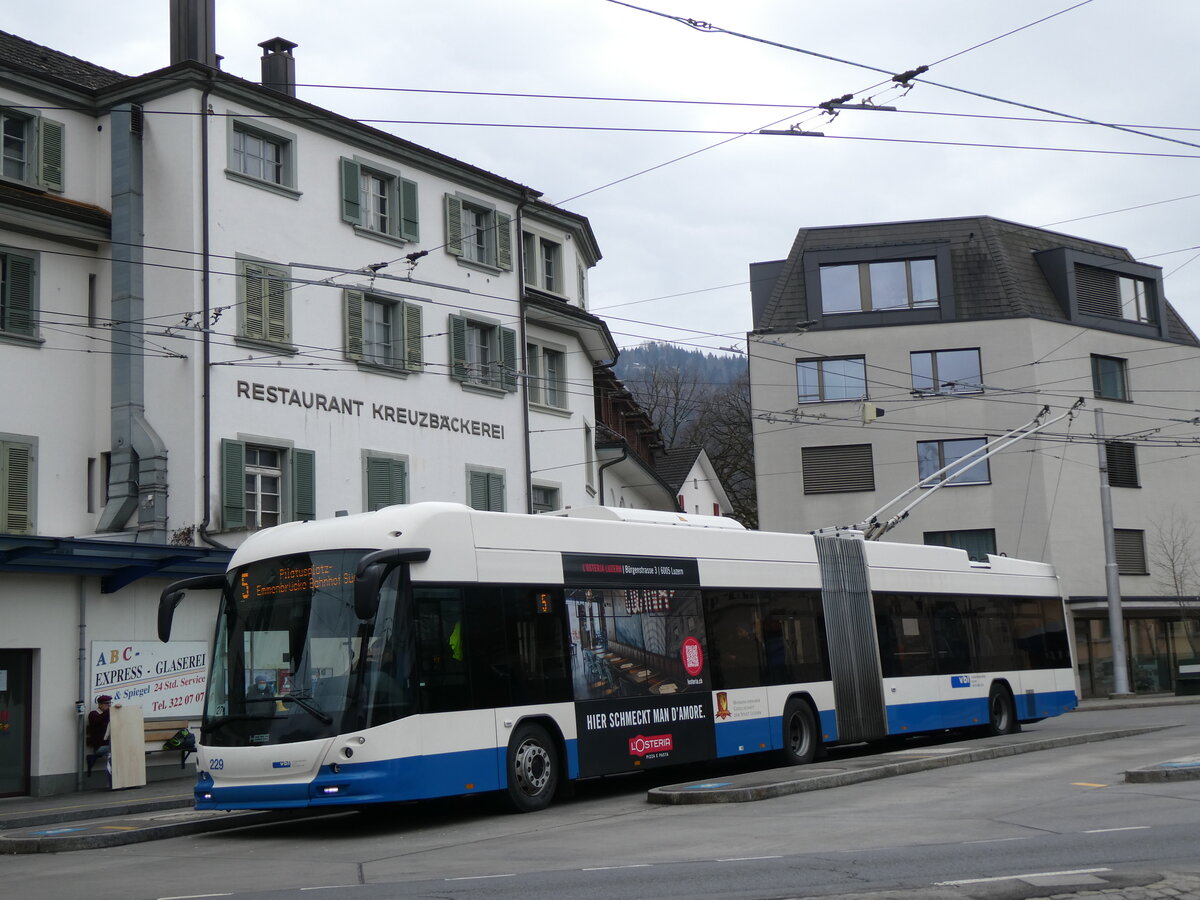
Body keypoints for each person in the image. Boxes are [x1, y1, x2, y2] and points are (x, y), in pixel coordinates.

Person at [86, 695, 114, 775]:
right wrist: (109, 711)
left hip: (110, 744)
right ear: (100, 704)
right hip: (100, 746)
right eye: (107, 703)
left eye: (110, 703)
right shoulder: (93, 714)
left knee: (121, 749)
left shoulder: (108, 714)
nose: (109, 705)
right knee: (118, 750)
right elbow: (98, 721)